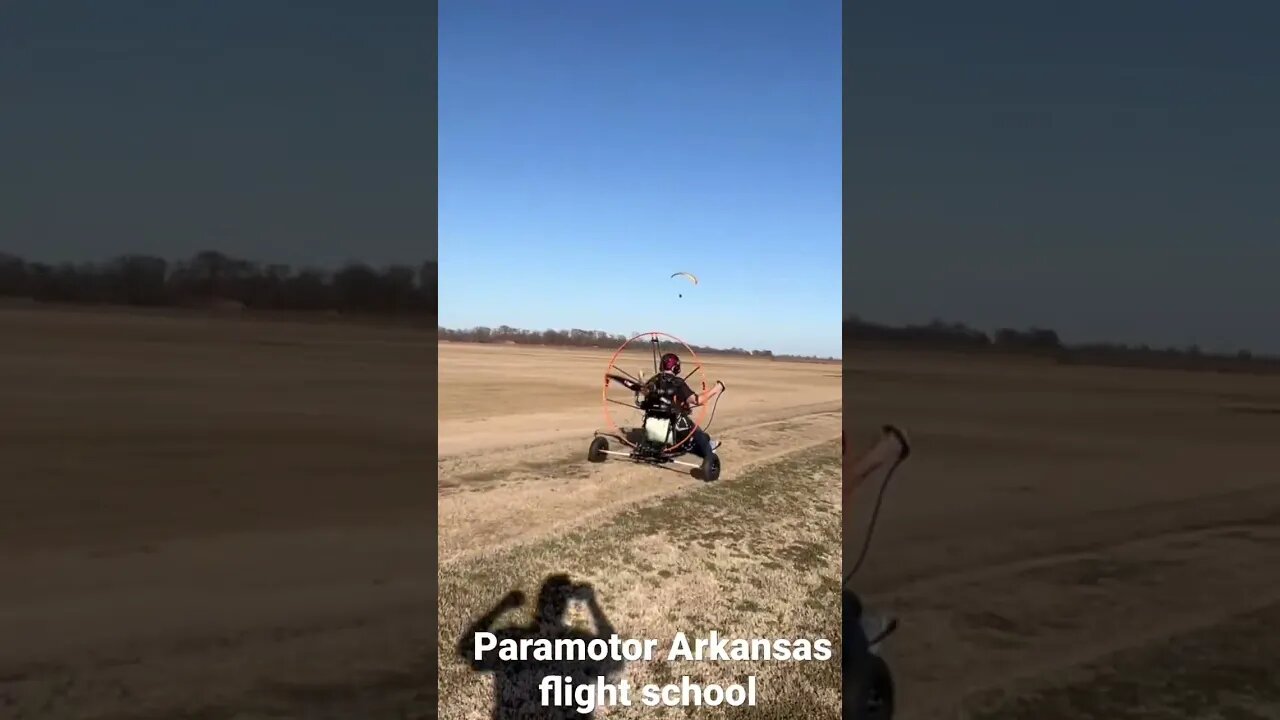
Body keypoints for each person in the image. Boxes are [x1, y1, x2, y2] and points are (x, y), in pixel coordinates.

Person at [639, 352, 722, 457]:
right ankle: (708, 450)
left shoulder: (654, 380)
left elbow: (645, 392)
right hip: (673, 427)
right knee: (697, 432)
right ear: (675, 367)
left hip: (652, 422)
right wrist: (716, 389)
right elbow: (698, 400)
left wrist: (642, 381)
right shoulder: (677, 383)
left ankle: (706, 443)